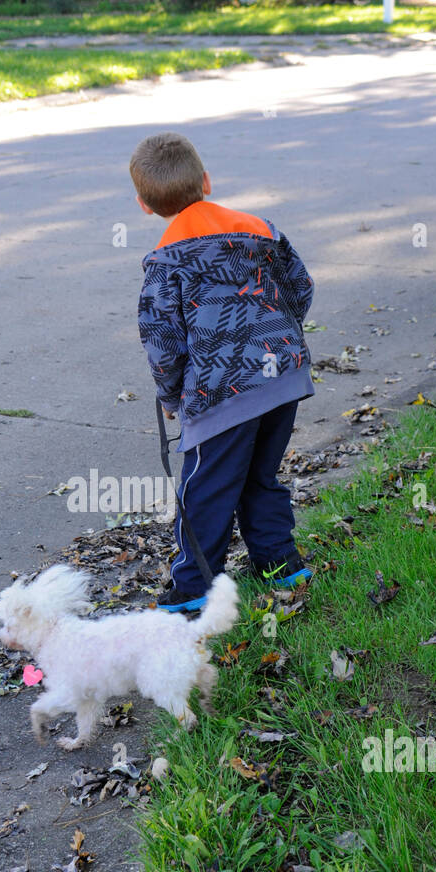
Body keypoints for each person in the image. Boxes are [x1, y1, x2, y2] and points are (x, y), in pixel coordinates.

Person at [130, 131, 315, 612]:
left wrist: (172, 399)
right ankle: (280, 561)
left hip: (220, 392)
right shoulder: (260, 229)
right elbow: (300, 288)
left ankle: (194, 587)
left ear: (145, 205)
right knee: (260, 473)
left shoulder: (165, 260)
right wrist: (279, 342)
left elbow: (162, 342)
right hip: (282, 378)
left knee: (206, 487)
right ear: (206, 181)